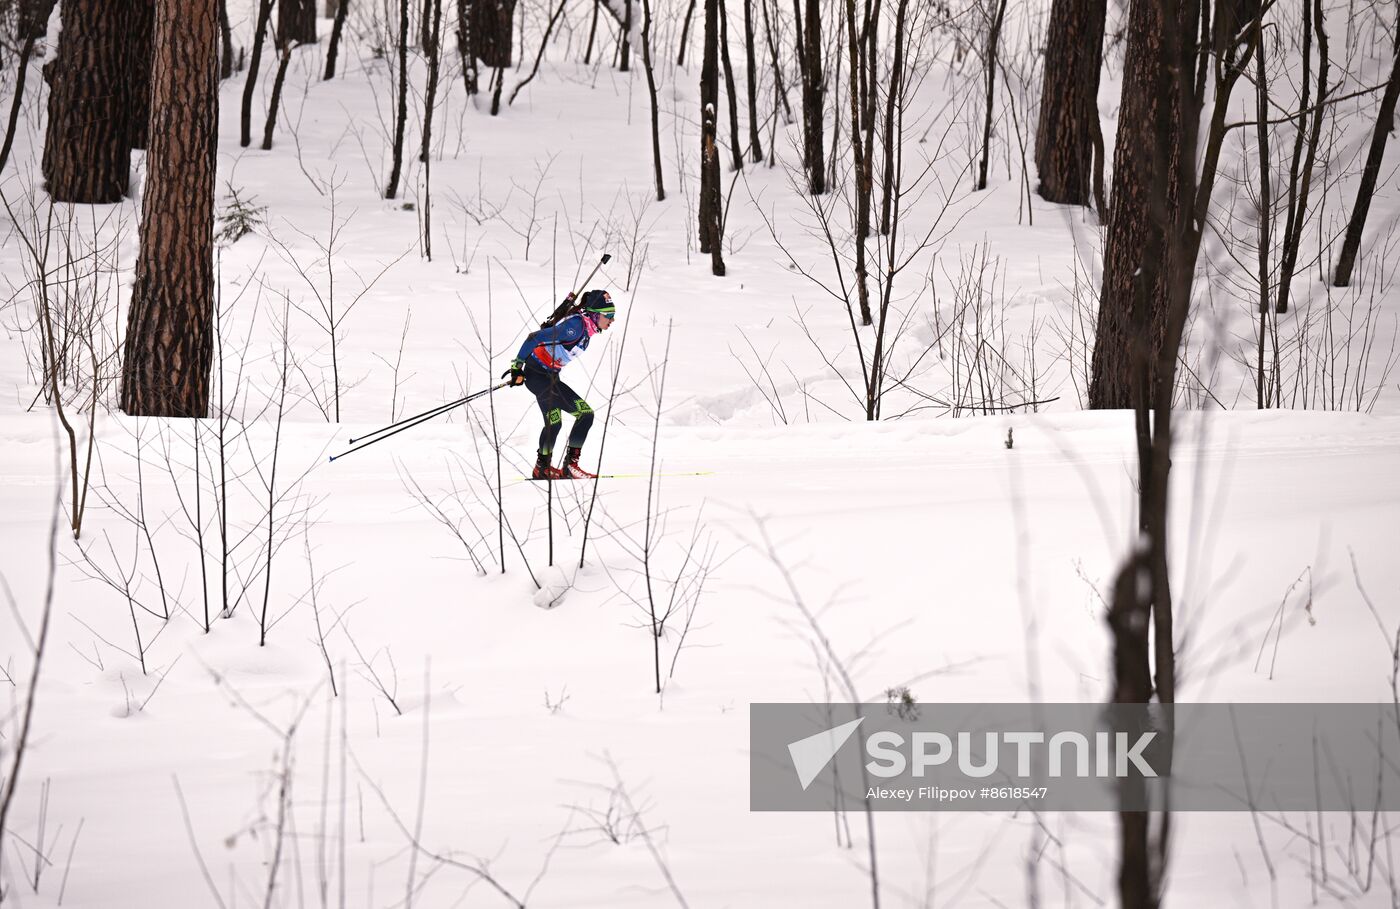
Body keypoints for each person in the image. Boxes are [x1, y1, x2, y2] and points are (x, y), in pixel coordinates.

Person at [504, 289, 617, 480]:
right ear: (595, 314)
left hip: (547, 377)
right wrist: (517, 367)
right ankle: (571, 467)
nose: (612, 320)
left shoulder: (584, 328)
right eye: (609, 315)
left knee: (554, 422)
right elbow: (534, 337)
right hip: (540, 376)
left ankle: (542, 468)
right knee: (585, 414)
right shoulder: (576, 326)